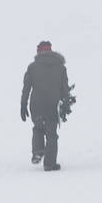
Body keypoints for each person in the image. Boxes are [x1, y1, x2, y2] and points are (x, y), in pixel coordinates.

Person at [21, 40, 69, 171]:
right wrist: (66, 101)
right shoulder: (60, 67)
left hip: (36, 105)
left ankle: (37, 151)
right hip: (52, 105)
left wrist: (23, 104)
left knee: (38, 128)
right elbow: (64, 88)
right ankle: (49, 163)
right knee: (51, 135)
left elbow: (26, 87)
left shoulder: (32, 67)